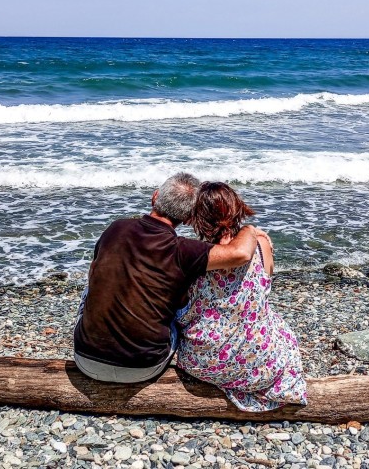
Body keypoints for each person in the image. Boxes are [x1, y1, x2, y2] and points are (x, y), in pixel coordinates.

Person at [73, 172, 262, 383]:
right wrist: (250, 229)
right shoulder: (183, 251)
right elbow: (240, 254)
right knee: (177, 312)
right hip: (142, 367)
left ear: (155, 197)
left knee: (96, 278)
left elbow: (94, 275)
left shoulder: (115, 228)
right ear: (190, 218)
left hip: (85, 358)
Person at [176, 181, 307, 412]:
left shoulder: (194, 255)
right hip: (258, 363)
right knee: (280, 327)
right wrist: (252, 231)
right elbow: (264, 288)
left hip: (200, 362)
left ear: (197, 217)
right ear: (237, 209)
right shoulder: (262, 244)